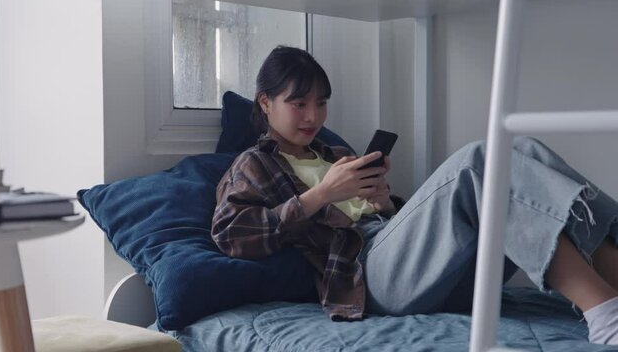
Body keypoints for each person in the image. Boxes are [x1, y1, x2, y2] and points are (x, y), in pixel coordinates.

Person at [211, 45, 618, 345]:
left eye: (321, 103)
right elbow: (232, 238)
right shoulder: (253, 165)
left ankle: (611, 281)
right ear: (265, 103)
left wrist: (384, 202)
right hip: (366, 279)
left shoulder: (335, 154)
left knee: (523, 149)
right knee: (478, 161)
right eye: (298, 103)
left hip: (416, 268)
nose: (313, 116)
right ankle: (604, 311)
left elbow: (386, 220)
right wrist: (320, 194)